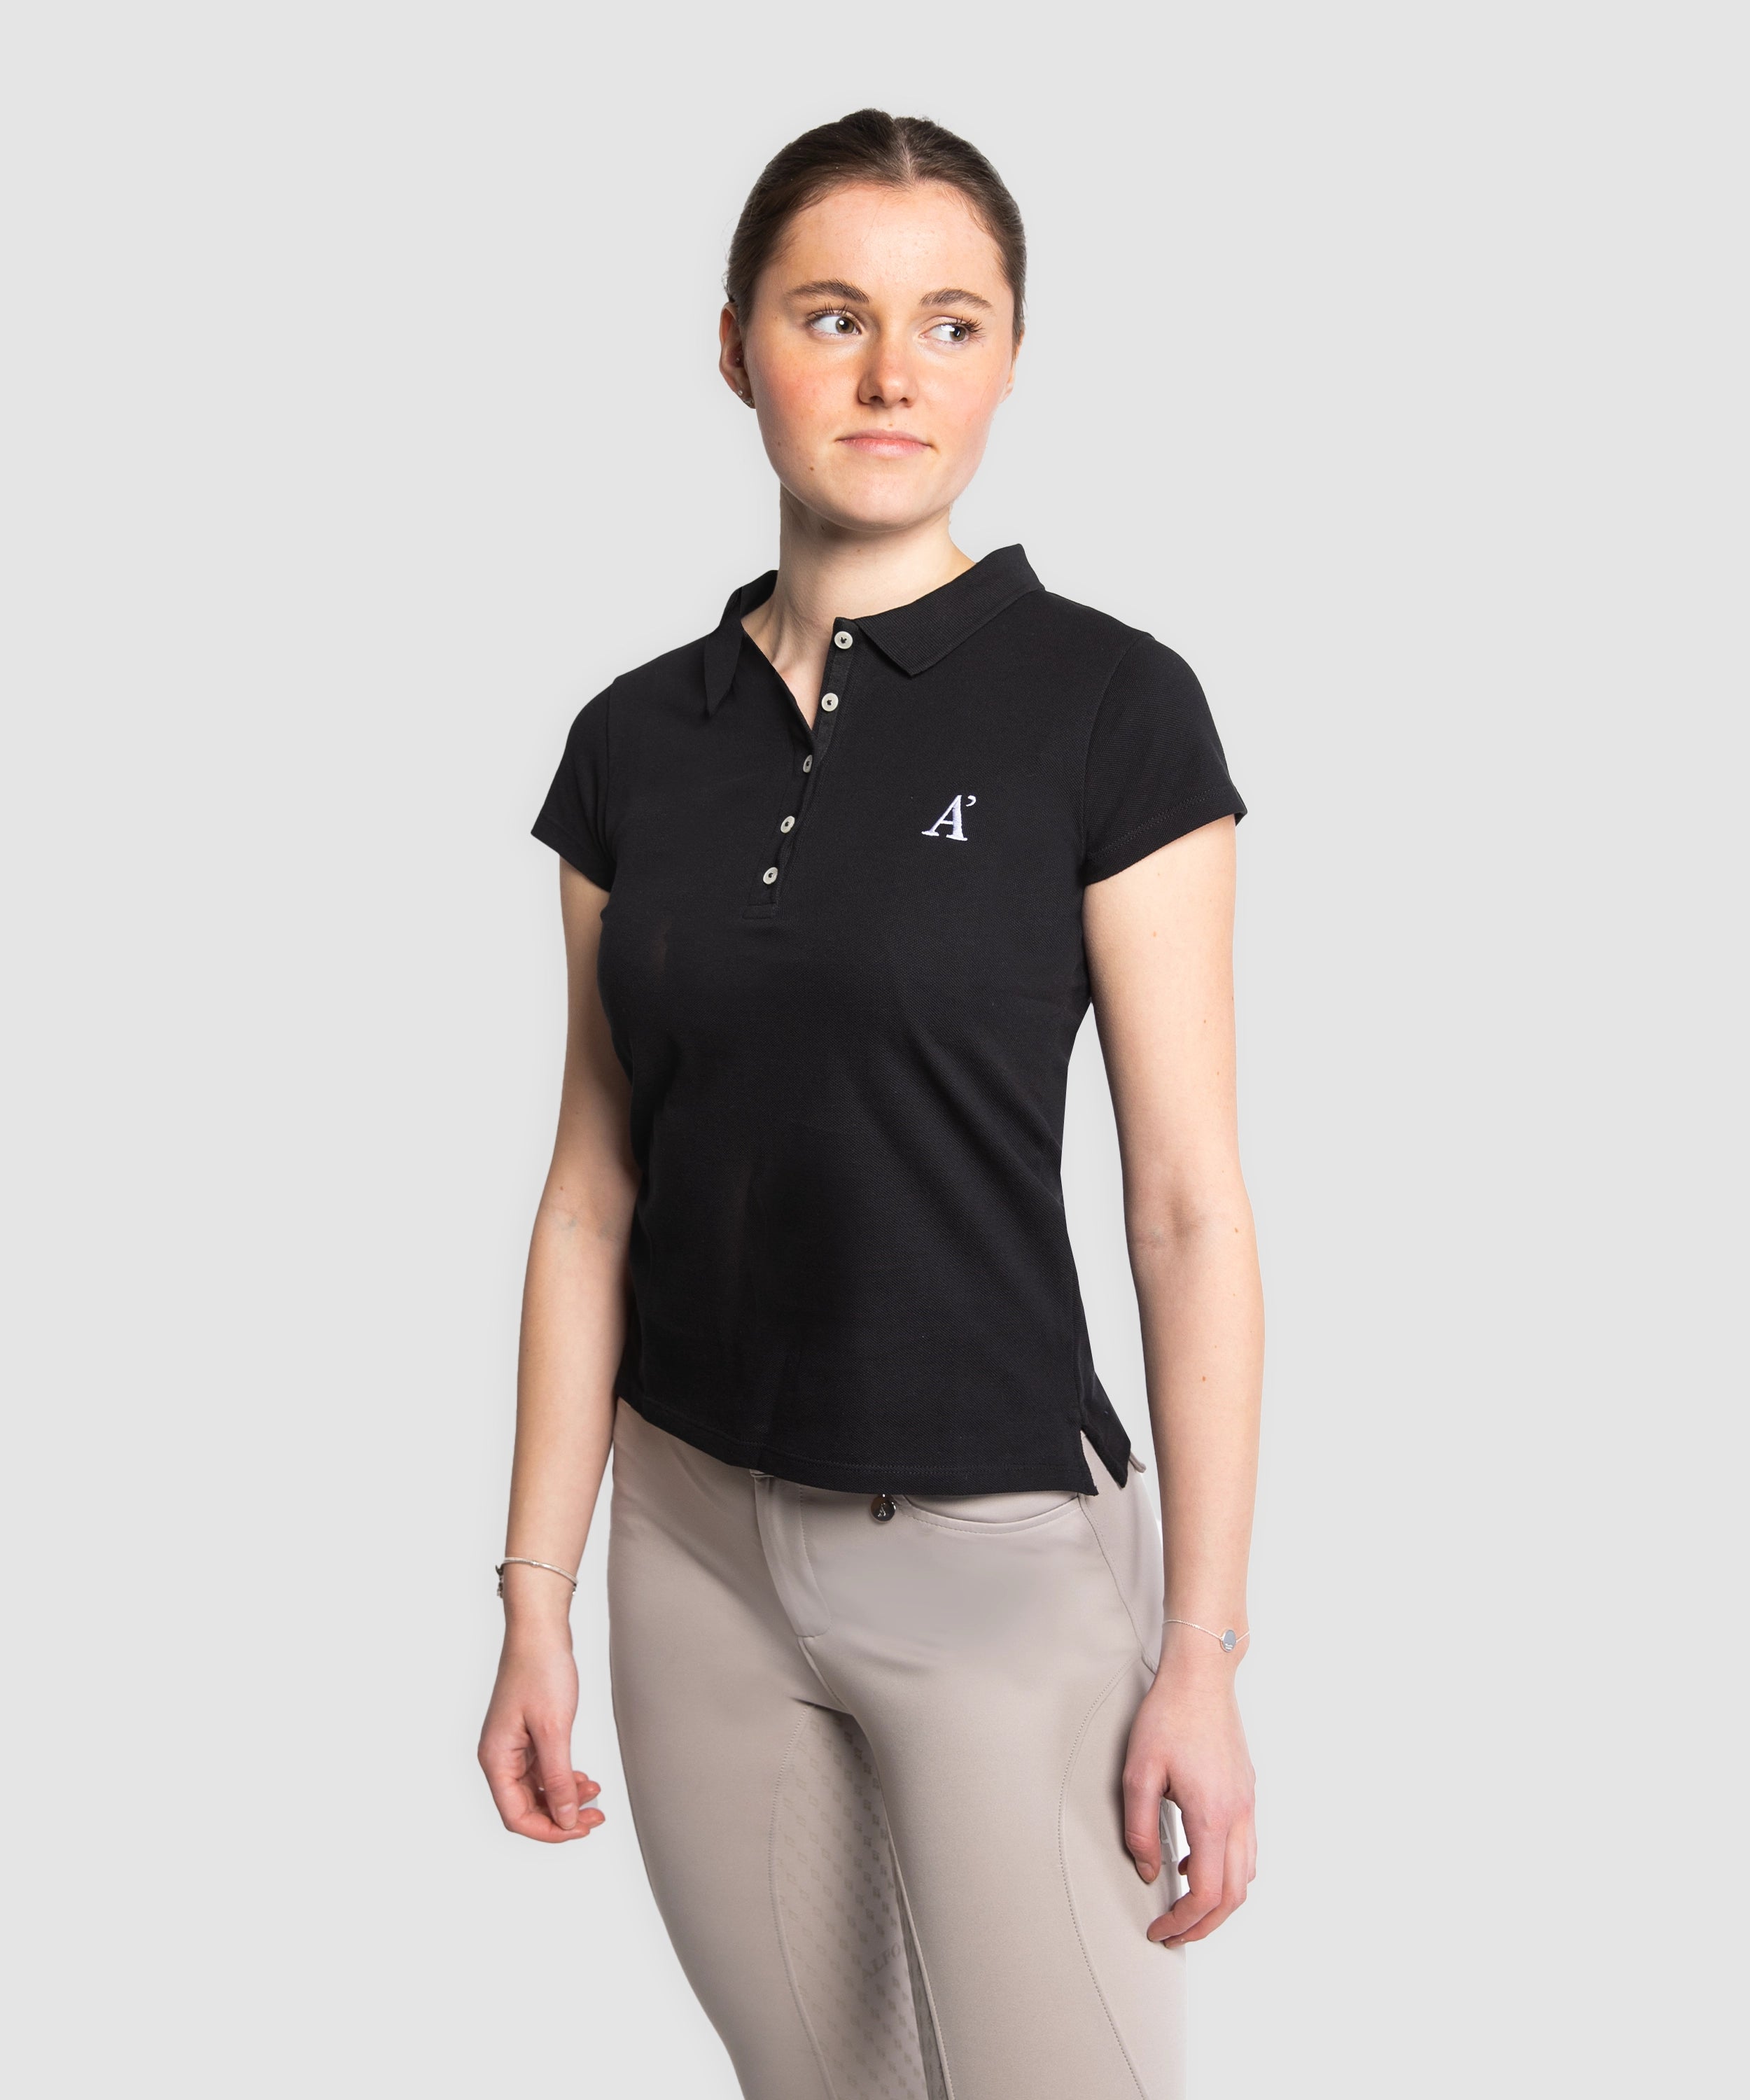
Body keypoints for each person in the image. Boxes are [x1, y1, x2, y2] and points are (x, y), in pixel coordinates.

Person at [478, 107, 1262, 2100]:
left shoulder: (1110, 708)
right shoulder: (633, 742)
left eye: (951, 324)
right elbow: (590, 1194)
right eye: (833, 316)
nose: (893, 373)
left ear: (1009, 359)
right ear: (735, 345)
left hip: (999, 1563)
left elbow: (1185, 1204)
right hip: (690, 1553)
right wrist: (535, 1597)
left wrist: (1201, 1648)